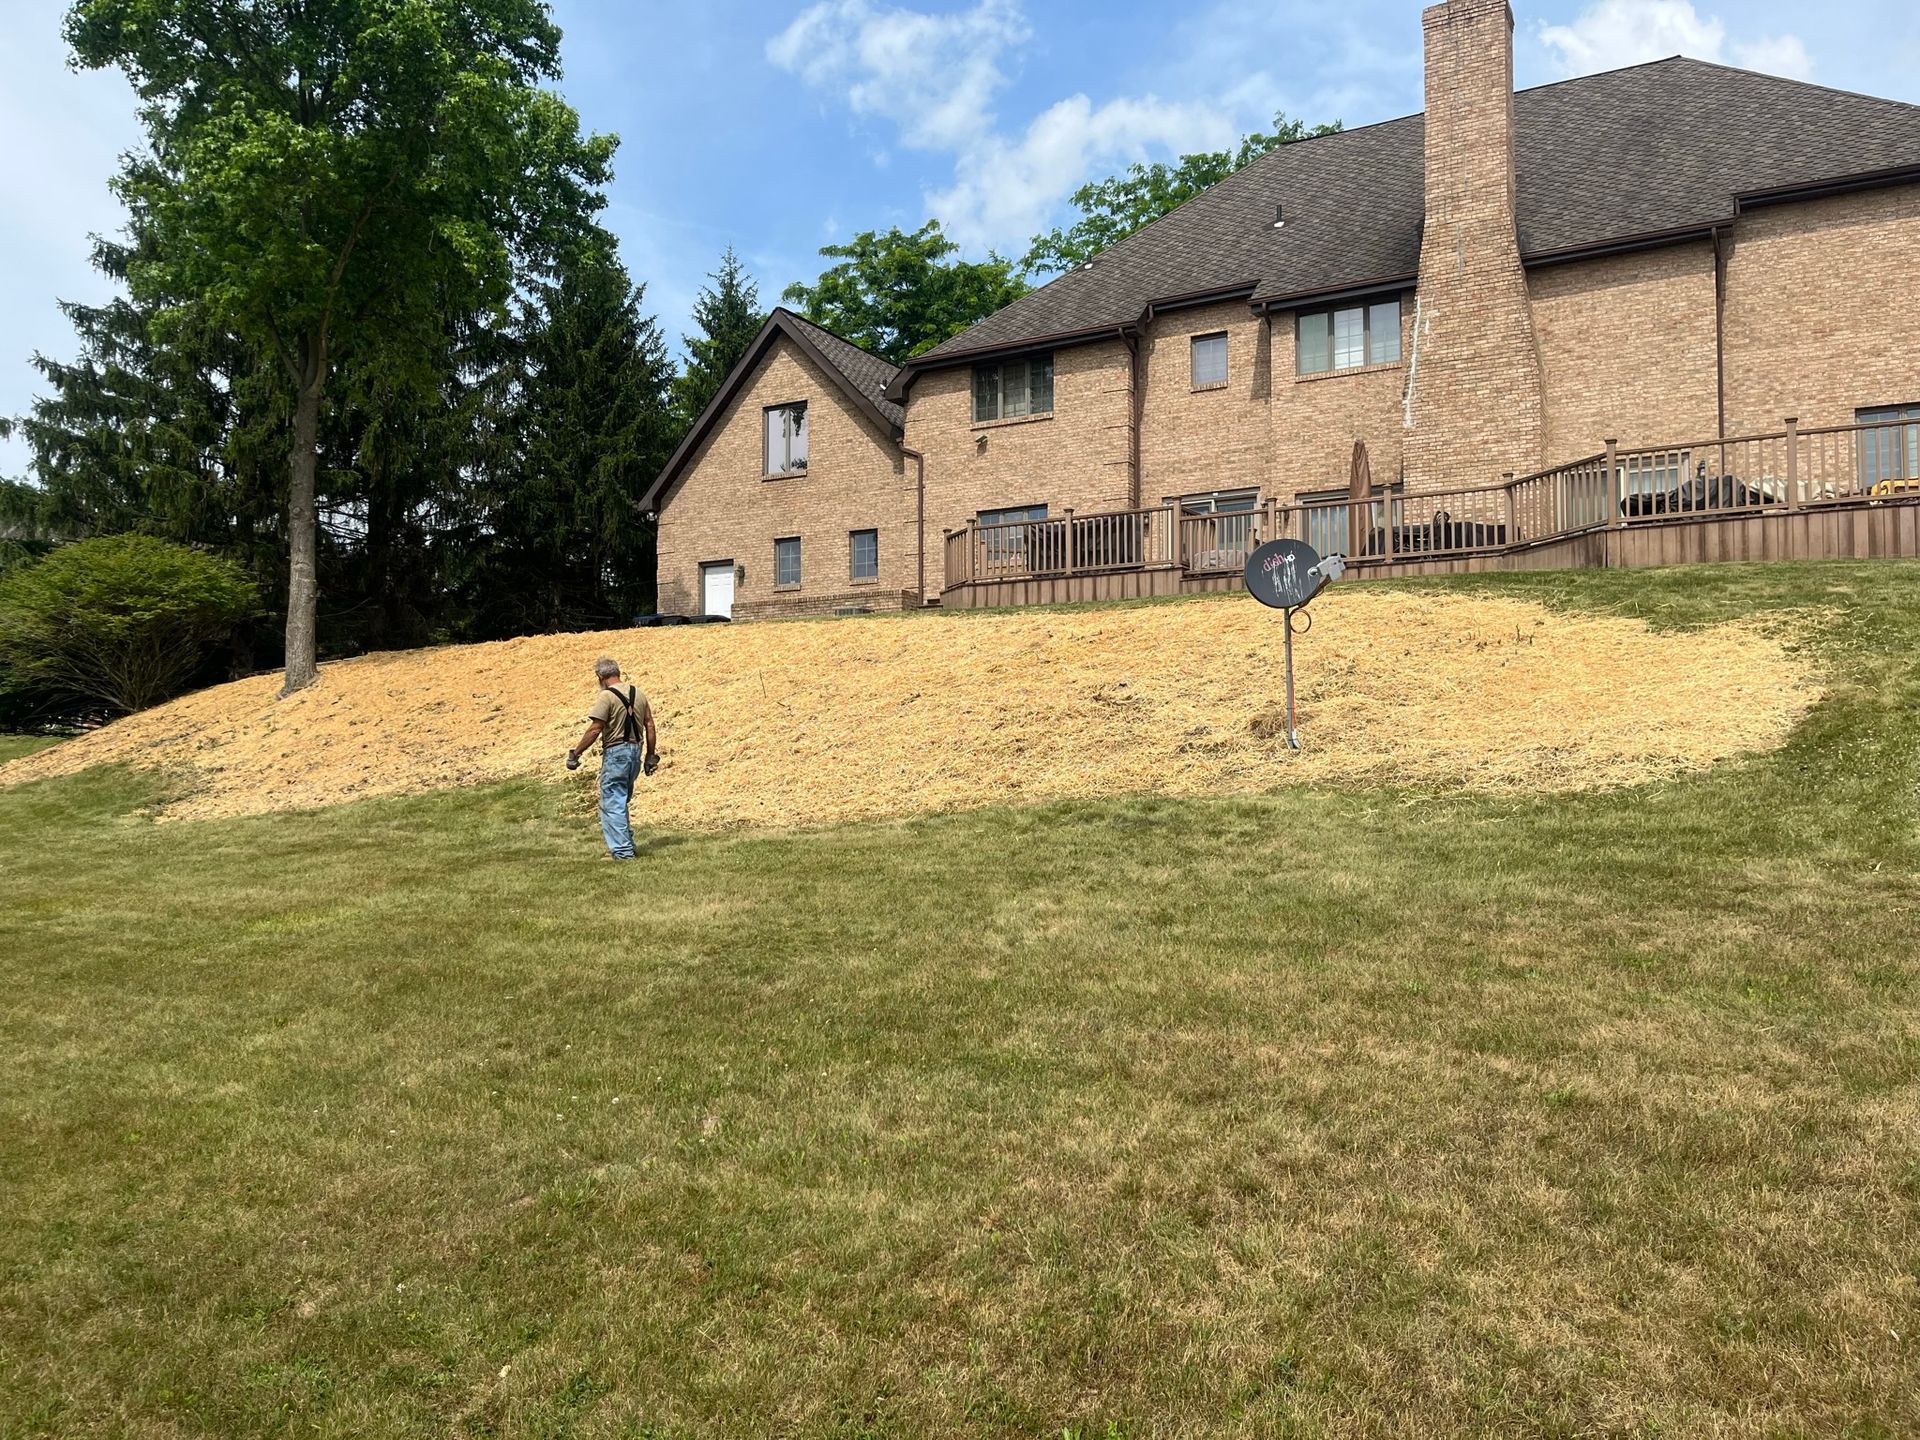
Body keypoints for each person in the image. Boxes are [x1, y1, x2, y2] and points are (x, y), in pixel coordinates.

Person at [566, 656, 658, 860]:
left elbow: (595, 728)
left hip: (617, 752)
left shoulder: (606, 696)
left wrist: (576, 752)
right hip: (636, 751)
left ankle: (622, 852)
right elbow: (649, 724)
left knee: (612, 801)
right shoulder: (638, 693)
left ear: (600, 676)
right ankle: (626, 845)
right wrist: (650, 755)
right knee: (621, 800)